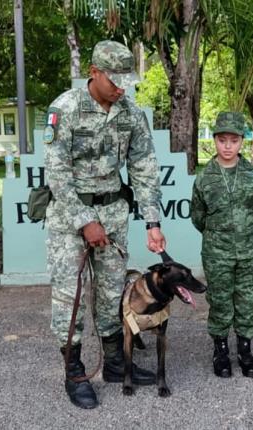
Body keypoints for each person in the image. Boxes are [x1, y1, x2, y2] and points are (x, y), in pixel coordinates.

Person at [43, 40, 166, 409]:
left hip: (113, 215)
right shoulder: (64, 109)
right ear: (93, 73)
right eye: (114, 79)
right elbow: (57, 172)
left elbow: (144, 167)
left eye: (126, 79)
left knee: (114, 294)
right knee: (71, 298)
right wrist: (85, 221)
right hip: (70, 219)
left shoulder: (130, 113)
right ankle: (74, 371)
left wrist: (152, 221)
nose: (121, 87)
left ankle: (115, 363)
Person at [191, 111, 253, 379]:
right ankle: (220, 351)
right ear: (215, 141)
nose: (227, 146)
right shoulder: (205, 177)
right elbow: (198, 216)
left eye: (233, 140)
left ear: (241, 142)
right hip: (217, 253)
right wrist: (219, 235)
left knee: (246, 301)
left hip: (248, 252)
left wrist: (243, 232)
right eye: (222, 140)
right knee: (220, 301)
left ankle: (245, 351)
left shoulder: (252, 175)